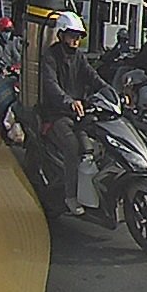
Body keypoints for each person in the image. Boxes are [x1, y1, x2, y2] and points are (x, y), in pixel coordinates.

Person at [39, 12, 115, 215]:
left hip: (79, 114)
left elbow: (93, 77)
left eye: (78, 36)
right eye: (72, 35)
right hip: (57, 114)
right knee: (72, 147)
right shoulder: (50, 56)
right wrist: (69, 102)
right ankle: (71, 196)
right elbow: (51, 85)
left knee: (97, 143)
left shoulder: (79, 57)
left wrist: (111, 93)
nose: (75, 40)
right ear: (61, 35)